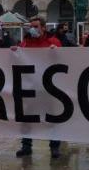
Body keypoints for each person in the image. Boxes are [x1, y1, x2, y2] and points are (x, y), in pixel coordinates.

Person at [13, 16, 62, 158]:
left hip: (49, 88)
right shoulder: (26, 43)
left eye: (35, 26)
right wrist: (14, 51)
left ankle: (54, 147)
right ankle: (26, 146)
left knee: (52, 119)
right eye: (31, 26)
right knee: (27, 118)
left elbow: (63, 59)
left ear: (43, 28)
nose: (32, 29)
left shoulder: (53, 42)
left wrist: (56, 50)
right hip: (31, 88)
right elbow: (18, 57)